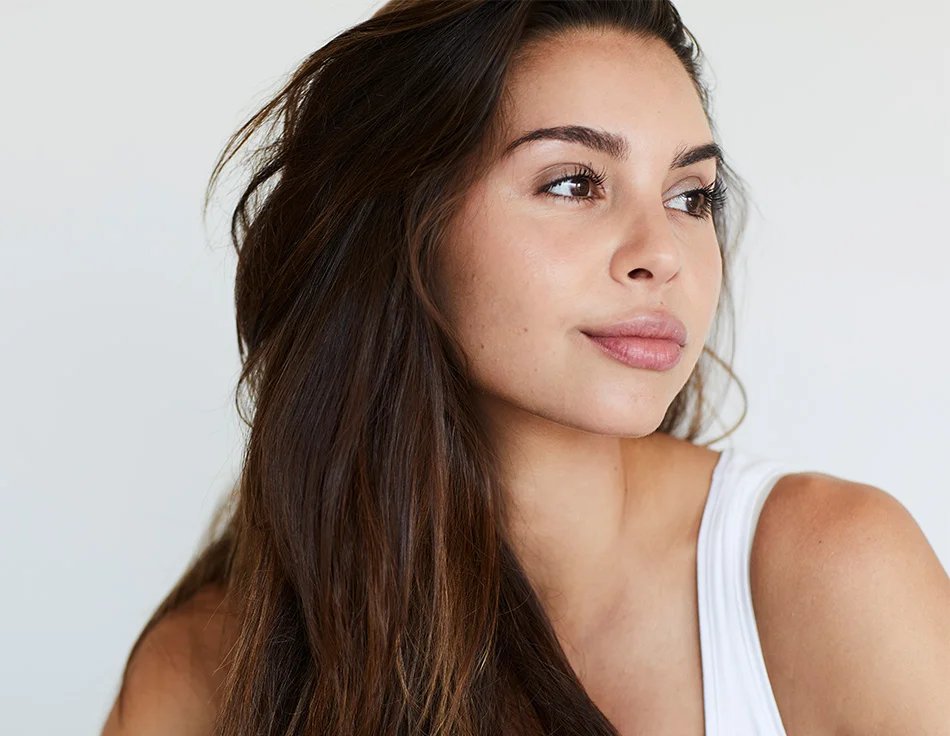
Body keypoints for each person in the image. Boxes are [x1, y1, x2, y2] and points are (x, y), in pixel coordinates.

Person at [99, 1, 950, 734]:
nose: (662, 252)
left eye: (690, 196)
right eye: (575, 183)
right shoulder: (210, 666)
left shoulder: (832, 574)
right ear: (407, 229)